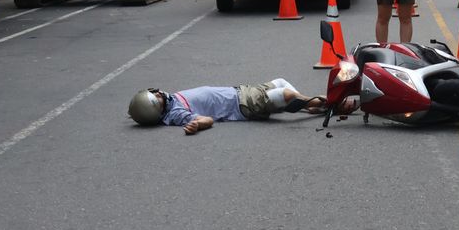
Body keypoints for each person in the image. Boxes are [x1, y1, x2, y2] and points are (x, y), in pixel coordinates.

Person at [127, 80, 336, 135]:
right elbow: (206, 120)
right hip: (243, 103)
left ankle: (310, 106)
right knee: (286, 95)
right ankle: (333, 104)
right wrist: (195, 125)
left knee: (281, 82)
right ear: (158, 111)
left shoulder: (170, 100)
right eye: (156, 100)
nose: (158, 95)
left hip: (241, 91)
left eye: (154, 93)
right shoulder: (175, 114)